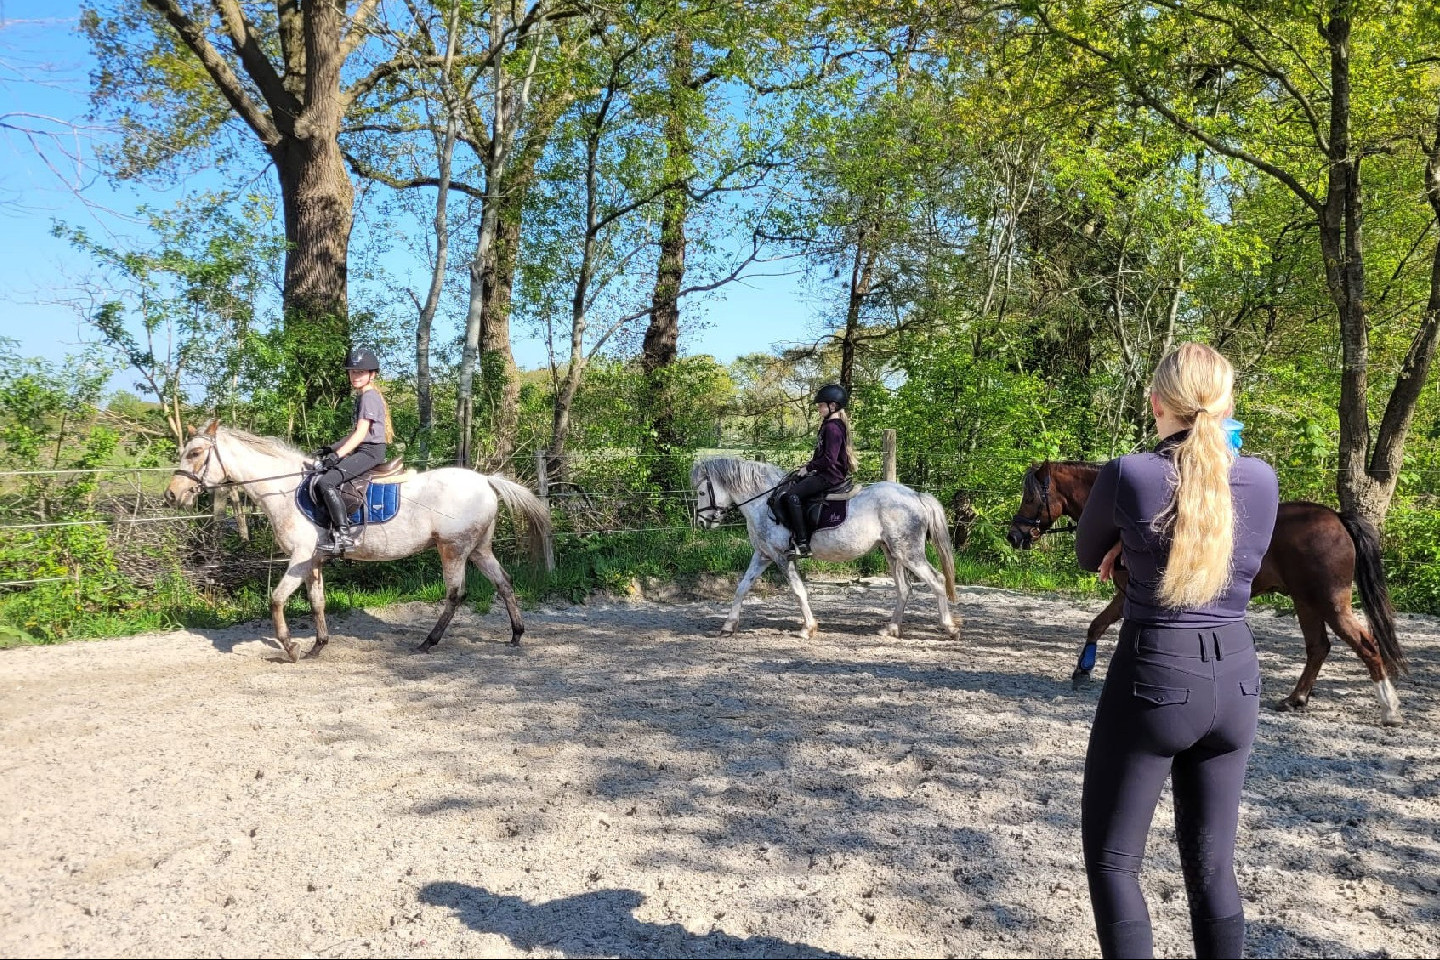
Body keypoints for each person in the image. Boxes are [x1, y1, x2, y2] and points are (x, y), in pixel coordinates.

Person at [1074, 343, 1279, 959]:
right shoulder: (1262, 477)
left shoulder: (1131, 473)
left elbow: (1088, 556)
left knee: (1114, 864)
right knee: (1213, 866)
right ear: (1225, 402)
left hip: (1157, 674)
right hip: (1237, 680)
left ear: (1157, 401)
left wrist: (1127, 547)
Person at [311, 347, 392, 553]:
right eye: (352, 372)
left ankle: (344, 536)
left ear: (371, 374)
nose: (355, 376)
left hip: (370, 452)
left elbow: (361, 434)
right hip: (364, 449)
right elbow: (354, 433)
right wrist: (331, 448)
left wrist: (336, 456)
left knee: (326, 482)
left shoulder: (369, 397)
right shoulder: (363, 396)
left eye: (360, 372)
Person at [778, 383, 858, 558]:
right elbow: (821, 455)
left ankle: (802, 543)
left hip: (829, 475)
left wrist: (809, 468)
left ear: (833, 406)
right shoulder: (829, 425)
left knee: (792, 496)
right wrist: (807, 467)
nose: (819, 409)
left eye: (821, 405)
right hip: (825, 472)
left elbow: (829, 459)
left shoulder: (833, 428)